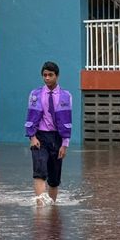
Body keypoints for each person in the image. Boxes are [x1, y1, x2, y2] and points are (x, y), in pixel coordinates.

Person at [25, 60, 73, 202]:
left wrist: (65, 144)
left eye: (50, 75)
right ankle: (40, 205)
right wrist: (32, 137)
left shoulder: (66, 96)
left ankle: (52, 209)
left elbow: (67, 120)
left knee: (54, 178)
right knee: (39, 172)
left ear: (56, 76)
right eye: (44, 75)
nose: (47, 78)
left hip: (57, 138)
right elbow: (31, 116)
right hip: (40, 136)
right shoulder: (35, 94)